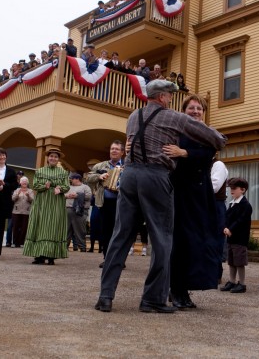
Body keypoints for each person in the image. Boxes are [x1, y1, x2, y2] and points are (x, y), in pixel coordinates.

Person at [94, 79, 226, 313]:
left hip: (130, 176)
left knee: (120, 237)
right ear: (163, 96)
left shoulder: (134, 115)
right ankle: (152, 299)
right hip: (155, 176)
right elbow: (217, 139)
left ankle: (105, 297)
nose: (170, 99)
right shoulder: (173, 116)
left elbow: (131, 142)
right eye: (169, 95)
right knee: (162, 238)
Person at [163, 94, 220, 309]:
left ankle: (185, 289)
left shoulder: (208, 132)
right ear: (183, 110)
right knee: (180, 241)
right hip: (179, 191)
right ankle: (175, 289)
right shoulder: (176, 131)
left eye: (199, 109)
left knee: (198, 242)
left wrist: (185, 152)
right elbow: (167, 151)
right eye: (191, 108)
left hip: (201, 194)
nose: (195, 111)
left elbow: (210, 152)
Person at [23, 147, 70, 265]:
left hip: (56, 202)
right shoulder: (40, 171)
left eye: (55, 156)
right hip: (42, 202)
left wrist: (61, 189)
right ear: (48, 158)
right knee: (40, 225)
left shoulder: (63, 172)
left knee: (54, 226)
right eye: (51, 156)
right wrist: (45, 186)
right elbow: (35, 185)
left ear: (58, 159)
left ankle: (51, 256)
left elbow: (67, 186)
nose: (53, 158)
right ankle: (39, 255)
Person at [86, 141, 124, 267]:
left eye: (117, 149)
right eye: (112, 148)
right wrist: (99, 176)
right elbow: (87, 177)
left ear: (122, 152)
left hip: (122, 204)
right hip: (104, 203)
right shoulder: (101, 165)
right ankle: (107, 258)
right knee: (106, 232)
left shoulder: (127, 166)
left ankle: (119, 260)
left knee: (120, 232)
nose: (113, 151)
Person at [220, 177, 252, 294]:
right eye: (230, 188)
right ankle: (232, 281)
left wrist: (230, 229)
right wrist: (224, 227)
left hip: (240, 238)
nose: (231, 190)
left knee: (239, 262)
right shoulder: (232, 203)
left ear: (243, 190)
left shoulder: (245, 205)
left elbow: (241, 220)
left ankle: (242, 284)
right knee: (232, 261)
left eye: (234, 188)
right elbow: (228, 218)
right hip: (231, 238)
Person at [211, 156, 229, 282]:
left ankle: (216, 273)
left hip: (216, 205)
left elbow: (214, 186)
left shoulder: (218, 165)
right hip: (205, 204)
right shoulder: (203, 165)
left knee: (216, 240)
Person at [66, 173, 92, 252]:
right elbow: (63, 195)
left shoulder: (85, 187)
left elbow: (89, 196)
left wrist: (78, 195)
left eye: (72, 178)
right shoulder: (68, 187)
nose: (71, 180)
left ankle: (82, 247)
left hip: (80, 211)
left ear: (77, 179)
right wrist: (67, 195)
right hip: (68, 209)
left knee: (80, 230)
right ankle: (64, 246)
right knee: (66, 230)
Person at [11, 176, 34, 247]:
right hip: (16, 211)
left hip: (26, 212)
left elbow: (33, 200)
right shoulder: (17, 190)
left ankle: (21, 243)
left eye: (26, 181)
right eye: (23, 181)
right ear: (20, 183)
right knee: (15, 227)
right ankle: (15, 242)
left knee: (24, 228)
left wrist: (28, 196)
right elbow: (13, 199)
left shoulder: (30, 191)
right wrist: (17, 194)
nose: (24, 182)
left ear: (27, 183)